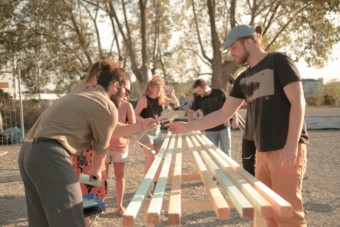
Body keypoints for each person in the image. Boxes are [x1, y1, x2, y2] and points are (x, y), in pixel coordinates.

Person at [167, 25, 309, 227]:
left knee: (288, 215)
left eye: (233, 48)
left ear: (249, 42)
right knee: (265, 212)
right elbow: (224, 113)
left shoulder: (278, 61)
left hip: (286, 148)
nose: (231, 54)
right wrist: (189, 126)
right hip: (263, 151)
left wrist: (291, 146)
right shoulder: (242, 79)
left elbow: (298, 101)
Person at [18, 61, 158, 227]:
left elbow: (110, 128)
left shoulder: (85, 94)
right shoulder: (107, 105)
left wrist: (141, 125)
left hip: (28, 152)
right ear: (115, 86)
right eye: (126, 91)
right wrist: (96, 171)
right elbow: (102, 149)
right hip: (51, 154)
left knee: (41, 222)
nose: (127, 96)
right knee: (72, 219)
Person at [135, 75, 179, 176]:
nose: (160, 89)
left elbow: (176, 105)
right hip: (145, 131)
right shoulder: (144, 99)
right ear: (150, 87)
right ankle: (145, 187)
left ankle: (155, 184)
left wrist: (173, 95)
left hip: (157, 131)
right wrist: (147, 121)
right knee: (151, 159)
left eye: (161, 87)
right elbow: (135, 114)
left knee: (158, 159)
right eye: (158, 87)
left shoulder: (161, 98)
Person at [188, 79, 238, 157]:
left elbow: (231, 105)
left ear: (205, 87)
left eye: (199, 91)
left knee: (226, 153)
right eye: (197, 92)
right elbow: (191, 112)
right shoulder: (198, 98)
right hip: (209, 130)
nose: (198, 93)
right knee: (213, 155)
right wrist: (191, 126)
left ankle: (225, 169)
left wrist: (235, 119)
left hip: (224, 128)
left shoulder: (219, 92)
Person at [105, 97, 136, 217]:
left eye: (127, 91)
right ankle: (99, 203)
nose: (125, 93)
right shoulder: (105, 101)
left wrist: (120, 128)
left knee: (120, 175)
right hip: (104, 145)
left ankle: (119, 205)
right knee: (103, 177)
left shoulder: (127, 105)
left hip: (120, 146)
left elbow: (133, 126)